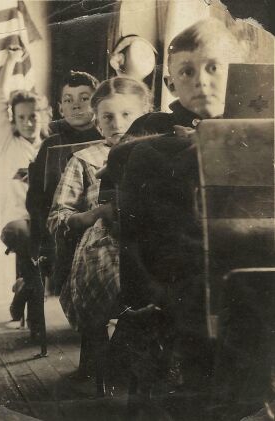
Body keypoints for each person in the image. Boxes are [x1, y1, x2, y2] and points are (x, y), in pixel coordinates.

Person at [103, 18, 247, 403]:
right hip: (181, 274)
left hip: (247, 262)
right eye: (187, 71)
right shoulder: (153, 137)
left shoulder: (255, 129)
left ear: (237, 71)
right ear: (170, 84)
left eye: (214, 67)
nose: (202, 81)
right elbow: (135, 226)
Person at [48, 77, 152, 383]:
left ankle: (137, 352)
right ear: (97, 122)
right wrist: (91, 215)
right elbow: (57, 216)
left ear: (144, 115)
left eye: (127, 115)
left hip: (149, 239)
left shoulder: (157, 153)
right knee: (118, 276)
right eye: (108, 116)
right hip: (102, 243)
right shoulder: (84, 160)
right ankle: (118, 350)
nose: (118, 124)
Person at [0, 46, 52, 346]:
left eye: (34, 116)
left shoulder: (50, 148)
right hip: (16, 222)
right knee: (32, 249)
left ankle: (22, 295)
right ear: (14, 120)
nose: (29, 122)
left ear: (43, 116)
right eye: (22, 117)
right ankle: (37, 329)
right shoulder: (7, 144)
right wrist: (11, 61)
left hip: (44, 221)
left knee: (36, 268)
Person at [26, 71, 101, 296]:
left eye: (84, 98)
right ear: (60, 108)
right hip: (61, 230)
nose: (76, 106)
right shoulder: (51, 145)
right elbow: (37, 200)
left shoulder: (109, 138)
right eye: (68, 100)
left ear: (97, 103)